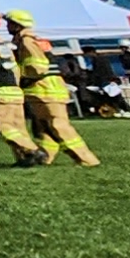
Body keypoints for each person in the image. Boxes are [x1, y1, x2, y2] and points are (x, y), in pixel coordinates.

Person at [14, 12, 99, 166]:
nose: (7, 26)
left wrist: (22, 77)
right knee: (44, 126)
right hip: (44, 88)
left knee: (57, 125)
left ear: (17, 24)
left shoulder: (27, 41)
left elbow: (37, 67)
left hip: (45, 88)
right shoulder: (30, 39)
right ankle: (45, 158)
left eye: (10, 23)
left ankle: (86, 159)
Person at [0, 8, 44, 165]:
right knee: (18, 128)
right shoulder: (2, 42)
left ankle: (32, 150)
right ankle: (25, 159)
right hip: (14, 92)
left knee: (0, 125)